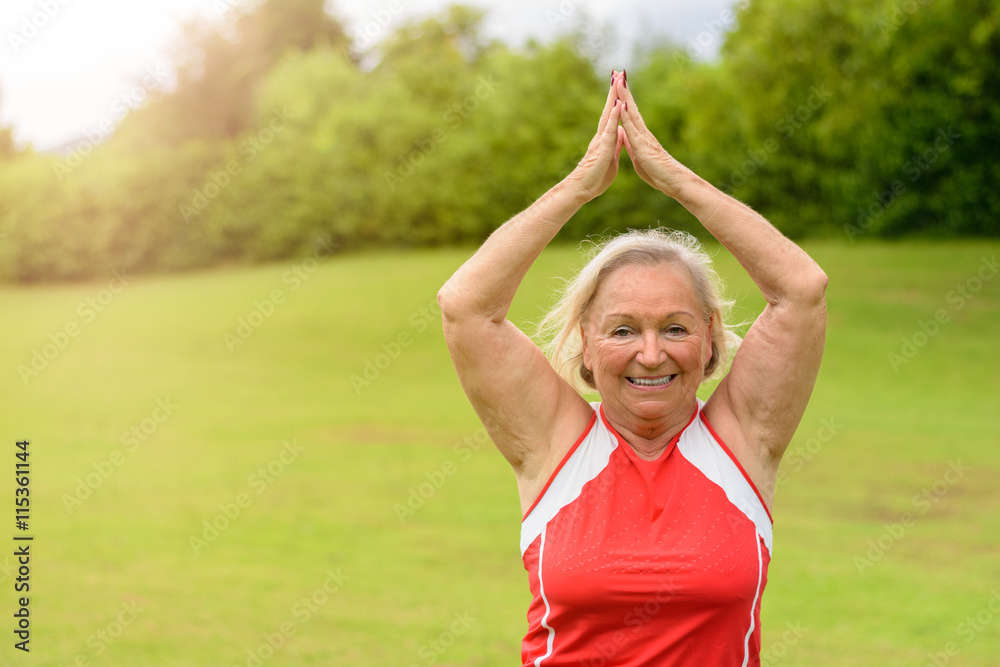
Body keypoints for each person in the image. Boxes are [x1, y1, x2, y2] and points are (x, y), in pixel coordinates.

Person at [437, 70, 827, 666]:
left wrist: (674, 180)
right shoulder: (555, 443)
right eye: (623, 330)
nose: (651, 353)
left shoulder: (745, 440)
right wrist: (579, 186)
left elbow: (801, 290)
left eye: (675, 327)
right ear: (586, 346)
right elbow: (466, 307)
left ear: (709, 342)